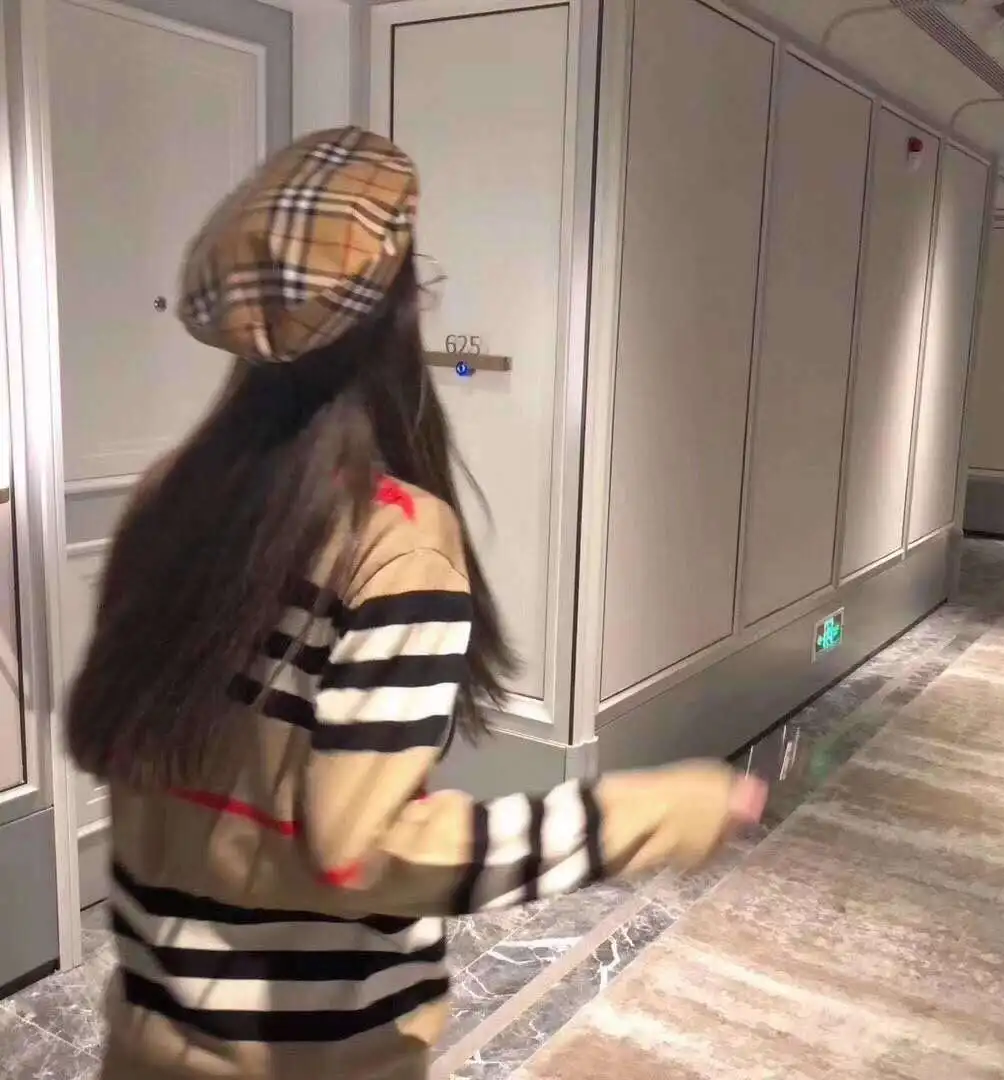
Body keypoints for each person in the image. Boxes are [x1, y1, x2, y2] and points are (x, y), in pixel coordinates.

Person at [66, 127, 767, 1080]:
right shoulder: (396, 542)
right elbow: (359, 855)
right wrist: (657, 812)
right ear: (395, 315)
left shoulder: (168, 494)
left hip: (144, 1042)